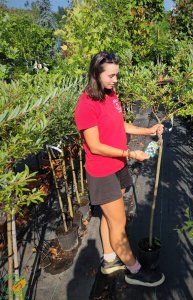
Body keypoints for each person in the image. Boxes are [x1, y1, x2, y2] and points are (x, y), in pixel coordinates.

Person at [74, 52, 165, 287]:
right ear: (96, 73)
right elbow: (94, 146)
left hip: (118, 166)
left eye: (117, 75)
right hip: (102, 172)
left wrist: (148, 131)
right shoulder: (86, 105)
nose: (115, 80)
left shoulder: (110, 95)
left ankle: (109, 259)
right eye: (111, 75)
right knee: (118, 223)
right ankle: (134, 270)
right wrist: (130, 153)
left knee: (109, 217)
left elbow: (118, 124)